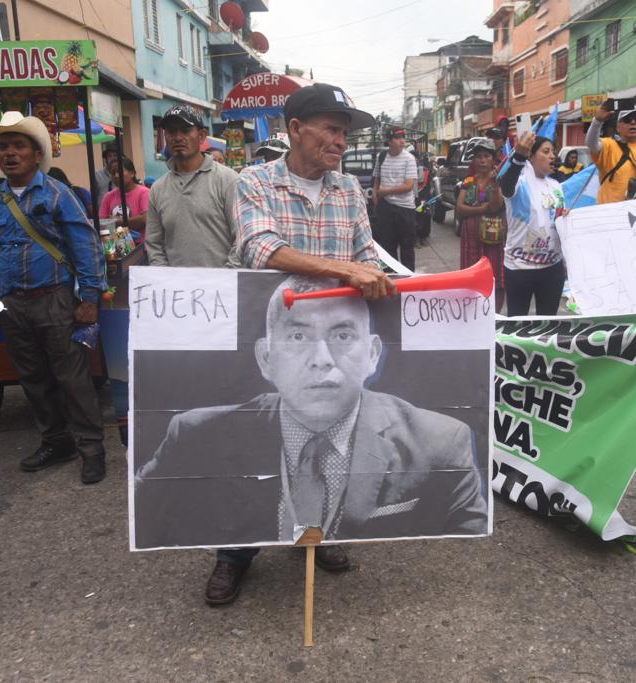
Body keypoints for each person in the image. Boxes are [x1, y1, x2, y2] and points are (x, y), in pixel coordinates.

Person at [134, 277, 486, 547]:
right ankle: (235, 559)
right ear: (265, 359)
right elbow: (144, 520)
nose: (322, 359)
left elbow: (467, 543)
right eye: (298, 338)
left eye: (343, 336)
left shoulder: (441, 442)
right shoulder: (194, 437)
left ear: (373, 354)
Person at [219, 82, 397, 605]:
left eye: (345, 132)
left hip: (336, 343)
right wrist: (340, 268)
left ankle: (315, 536)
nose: (341, 141)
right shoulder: (254, 182)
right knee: (255, 448)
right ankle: (234, 552)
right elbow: (259, 247)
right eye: (331, 129)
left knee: (327, 442)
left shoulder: (348, 191)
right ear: (295, 128)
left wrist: (391, 279)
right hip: (276, 337)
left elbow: (368, 253)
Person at [0, 111, 108, 485]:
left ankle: (91, 449)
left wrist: (89, 300)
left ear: (37, 155)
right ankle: (56, 441)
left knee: (73, 378)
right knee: (33, 378)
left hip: (55, 300)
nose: (10, 153)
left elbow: (86, 248)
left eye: (19, 145)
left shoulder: (56, 194)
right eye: (3, 147)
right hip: (12, 303)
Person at [145, 105, 240, 268]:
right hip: (177, 291)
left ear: (202, 135)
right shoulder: (158, 189)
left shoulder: (228, 180)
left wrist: (224, 281)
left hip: (223, 288)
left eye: (185, 130)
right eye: (171, 132)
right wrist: (166, 280)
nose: (178, 137)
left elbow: (242, 239)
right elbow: (154, 245)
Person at [497, 132, 566, 316]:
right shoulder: (519, 184)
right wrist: (518, 154)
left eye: (554, 151)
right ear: (531, 156)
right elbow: (506, 185)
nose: (552, 155)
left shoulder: (556, 186)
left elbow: (558, 220)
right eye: (546, 151)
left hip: (552, 269)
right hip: (520, 269)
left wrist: (566, 217)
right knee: (518, 325)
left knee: (548, 324)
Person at [456, 139, 505, 311]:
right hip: (470, 238)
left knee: (495, 276)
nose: (482, 160)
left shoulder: (499, 180)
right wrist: (482, 209)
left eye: (486, 156)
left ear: (493, 159)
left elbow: (495, 206)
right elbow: (459, 208)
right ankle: (472, 311)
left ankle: (494, 314)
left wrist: (495, 184)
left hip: (493, 237)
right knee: (471, 275)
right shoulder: (469, 181)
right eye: (478, 157)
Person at [588, 104, 636, 204]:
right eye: (627, 119)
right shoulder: (610, 146)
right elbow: (591, 144)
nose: (633, 122)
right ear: (618, 127)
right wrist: (597, 122)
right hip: (612, 215)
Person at [372, 128, 418, 270]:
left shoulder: (409, 158)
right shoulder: (382, 156)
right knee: (387, 248)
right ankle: (392, 280)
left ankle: (409, 280)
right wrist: (375, 195)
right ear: (389, 140)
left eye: (403, 138)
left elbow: (409, 185)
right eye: (398, 138)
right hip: (385, 208)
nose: (402, 141)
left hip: (405, 209)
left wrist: (385, 191)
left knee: (407, 248)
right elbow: (377, 178)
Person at [100, 158, 150, 239]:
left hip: (140, 246)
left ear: (132, 173)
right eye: (113, 173)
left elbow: (145, 219)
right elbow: (102, 224)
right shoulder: (108, 197)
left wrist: (116, 221)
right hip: (116, 246)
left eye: (120, 171)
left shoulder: (144, 193)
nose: (116, 175)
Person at [94, 142, 119, 206]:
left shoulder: (123, 175)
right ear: (106, 159)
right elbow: (93, 196)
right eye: (109, 156)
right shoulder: (97, 175)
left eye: (115, 155)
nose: (112, 158)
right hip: (102, 214)